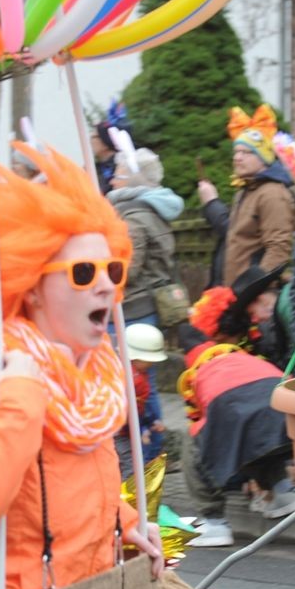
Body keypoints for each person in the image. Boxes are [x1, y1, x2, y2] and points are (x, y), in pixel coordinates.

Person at [0, 144, 163, 589]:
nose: (107, 283)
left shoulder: (94, 382)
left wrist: (126, 525)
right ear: (33, 288)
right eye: (83, 271)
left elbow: (77, 488)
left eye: (113, 268)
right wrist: (21, 399)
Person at [178, 266, 295, 547]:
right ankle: (282, 491)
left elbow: (200, 421)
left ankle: (213, 522)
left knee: (196, 440)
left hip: (238, 400)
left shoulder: (196, 371)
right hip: (284, 392)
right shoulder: (249, 349)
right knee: (256, 426)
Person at [107, 147, 184, 456]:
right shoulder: (151, 211)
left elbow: (126, 269)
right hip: (147, 308)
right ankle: (152, 450)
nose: (112, 181)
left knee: (137, 383)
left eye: (118, 174)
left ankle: (147, 454)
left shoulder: (133, 218)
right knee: (144, 381)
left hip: (133, 311)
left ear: (134, 180)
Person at [198, 104, 295, 287]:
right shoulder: (246, 190)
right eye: (236, 152)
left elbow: (278, 249)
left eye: (246, 153)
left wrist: (253, 291)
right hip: (233, 294)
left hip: (250, 298)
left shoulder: (272, 194)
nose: (237, 158)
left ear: (264, 158)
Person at [114, 323, 169, 478]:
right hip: (119, 432)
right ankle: (131, 501)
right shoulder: (132, 380)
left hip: (123, 430)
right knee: (131, 469)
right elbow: (129, 413)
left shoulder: (126, 370)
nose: (153, 363)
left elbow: (140, 407)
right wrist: (142, 430)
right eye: (149, 360)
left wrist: (151, 421)